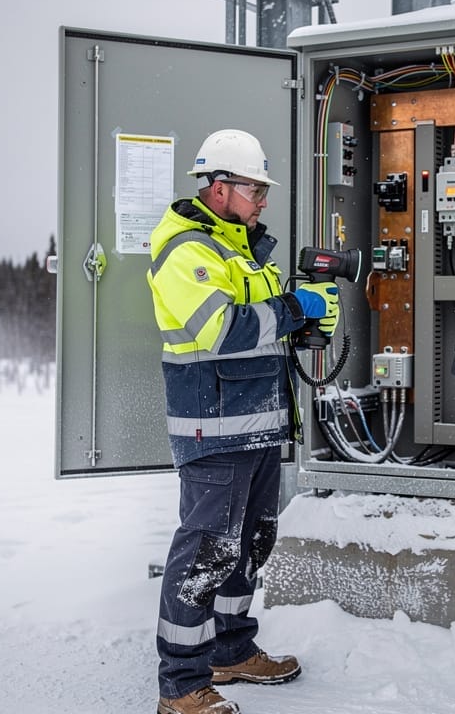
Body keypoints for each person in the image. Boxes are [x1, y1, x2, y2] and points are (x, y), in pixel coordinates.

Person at [147, 129, 340, 714]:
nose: (263, 200)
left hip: (256, 423)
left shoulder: (242, 250)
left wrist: (305, 323)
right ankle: (180, 684)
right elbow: (220, 329)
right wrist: (291, 309)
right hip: (214, 426)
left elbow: (261, 329)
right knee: (207, 549)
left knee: (250, 543)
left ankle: (230, 650)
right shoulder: (186, 250)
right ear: (220, 187)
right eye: (255, 188)